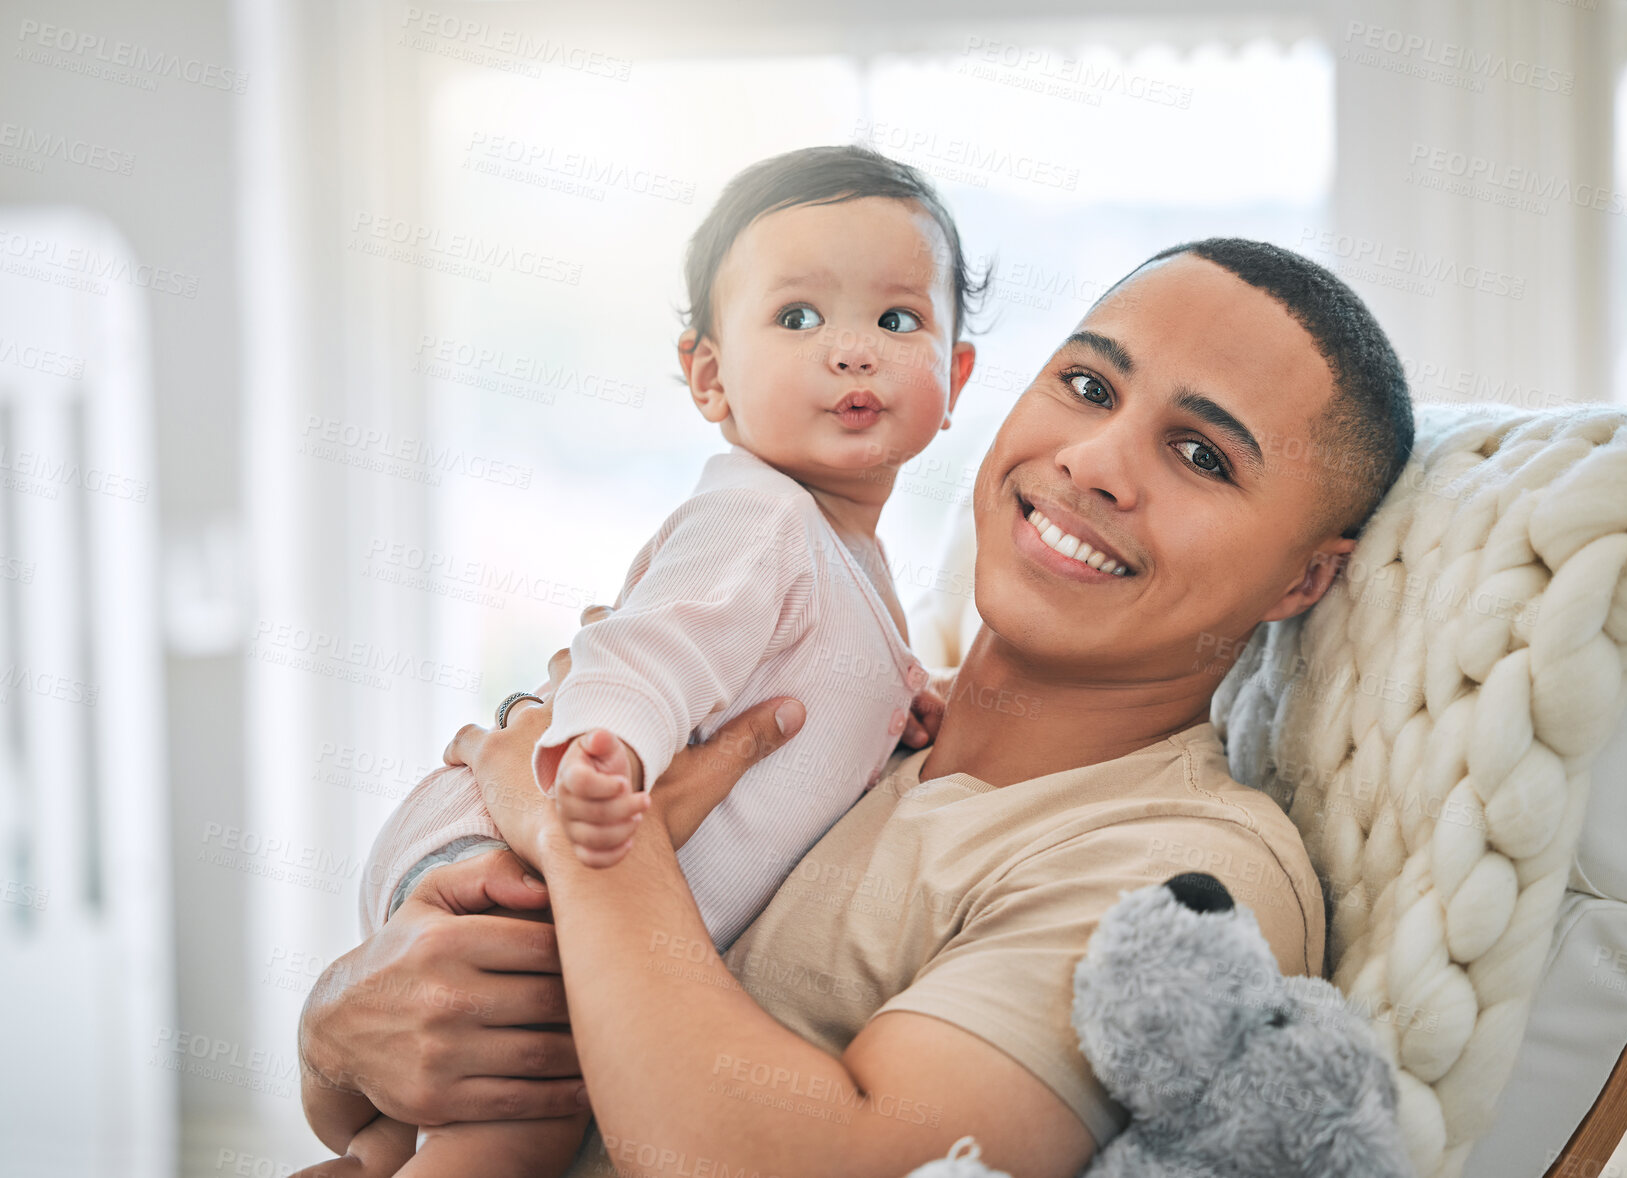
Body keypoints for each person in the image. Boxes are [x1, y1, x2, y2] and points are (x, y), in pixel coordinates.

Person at [297, 237, 1415, 1178]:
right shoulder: (835, 687)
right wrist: (338, 1031)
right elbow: (382, 1091)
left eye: (1200, 454)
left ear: (1304, 579)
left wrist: (589, 836)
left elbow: (820, 1158)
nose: (1093, 462)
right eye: (1086, 385)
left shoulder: (1183, 875)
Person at [307, 144, 981, 1176]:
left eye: (897, 321)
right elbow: (651, 646)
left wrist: (907, 698)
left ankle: (371, 1152)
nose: (852, 351)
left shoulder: (854, 560)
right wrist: (602, 752)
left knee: (468, 1098)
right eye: (798, 317)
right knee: (524, 1118)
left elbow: (826, 675)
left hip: (573, 870)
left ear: (956, 373)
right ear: (708, 377)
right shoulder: (757, 517)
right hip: (514, 846)